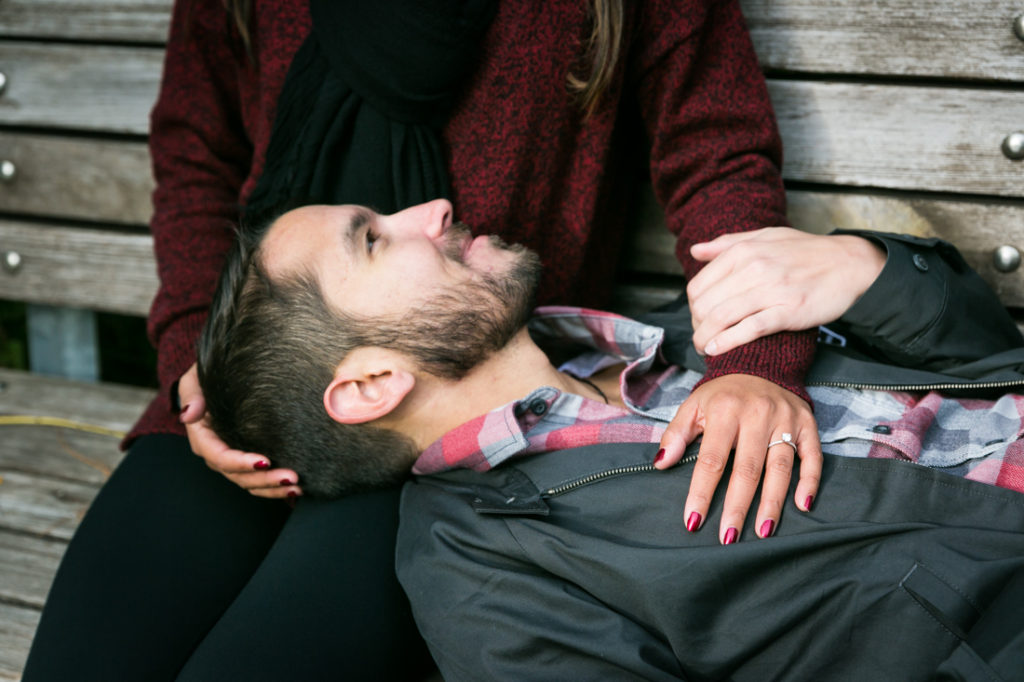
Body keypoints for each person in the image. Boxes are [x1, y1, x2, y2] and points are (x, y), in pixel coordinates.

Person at [20, 0, 909, 678]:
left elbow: (714, 154)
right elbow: (195, 151)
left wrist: (753, 367)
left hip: (459, 422)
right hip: (253, 381)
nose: (438, 214)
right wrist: (194, 363)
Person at [197, 199, 1024, 679]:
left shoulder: (696, 326)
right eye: (374, 239)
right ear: (373, 385)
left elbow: (988, 357)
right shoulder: (488, 583)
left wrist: (862, 267)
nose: (434, 210)